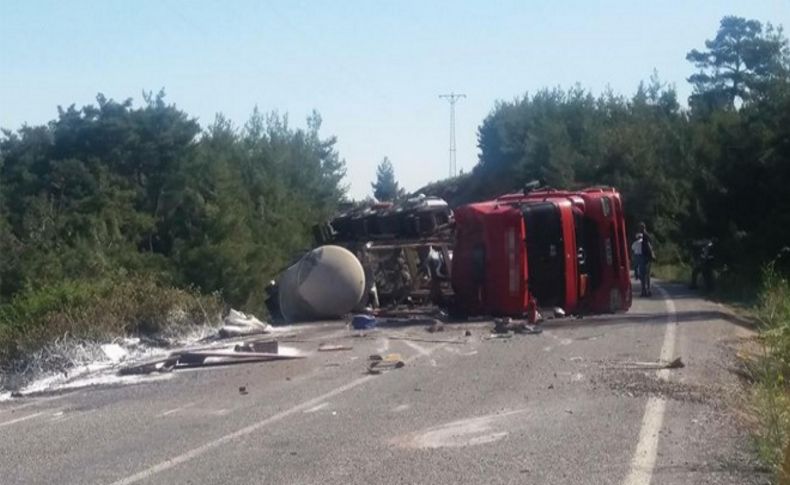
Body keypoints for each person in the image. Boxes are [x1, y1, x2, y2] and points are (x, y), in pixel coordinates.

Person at [638, 222, 655, 297]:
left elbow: (648, 245)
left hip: (645, 257)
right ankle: (646, 290)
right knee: (646, 275)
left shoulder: (643, 236)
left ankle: (645, 291)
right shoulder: (646, 235)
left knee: (644, 275)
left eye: (642, 227)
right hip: (646, 257)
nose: (641, 229)